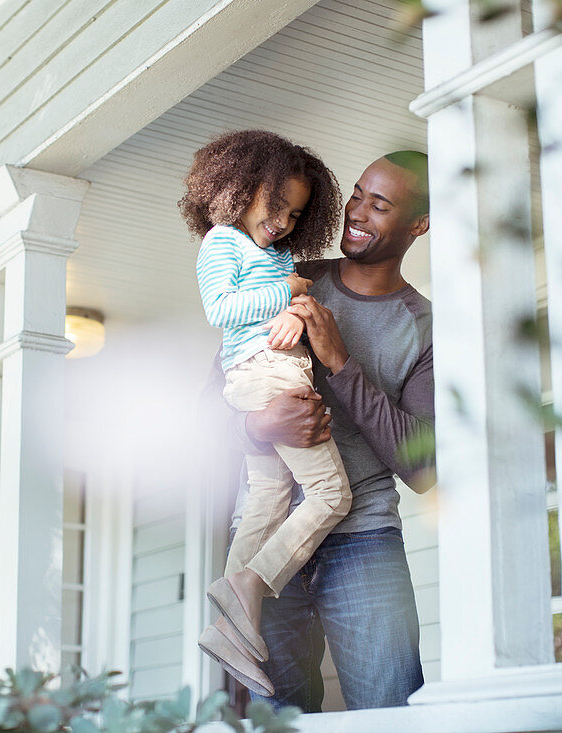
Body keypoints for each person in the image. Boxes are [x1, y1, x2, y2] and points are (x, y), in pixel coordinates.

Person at [216, 151, 435, 711]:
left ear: (418, 225)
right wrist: (256, 427)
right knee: (275, 721)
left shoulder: (425, 327)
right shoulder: (286, 277)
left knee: (389, 714)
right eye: (356, 194)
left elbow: (424, 468)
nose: (356, 212)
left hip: (362, 539)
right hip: (266, 530)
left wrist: (341, 363)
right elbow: (208, 401)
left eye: (379, 204)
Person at [179, 130, 352, 696]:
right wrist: (291, 292)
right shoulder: (222, 242)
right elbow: (221, 310)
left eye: (295, 213)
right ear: (240, 189)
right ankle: (250, 583)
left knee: (269, 498)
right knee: (331, 495)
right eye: (274, 205)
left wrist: (298, 308)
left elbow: (284, 308)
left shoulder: (274, 253)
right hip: (261, 375)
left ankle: (231, 627)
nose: (281, 222)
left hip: (277, 367)